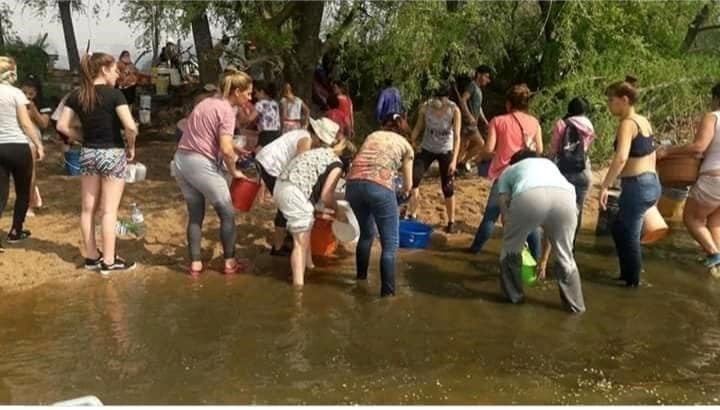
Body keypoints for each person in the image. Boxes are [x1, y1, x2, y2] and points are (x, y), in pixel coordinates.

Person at [57, 52, 138, 274]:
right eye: (115, 70)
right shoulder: (115, 96)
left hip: (88, 153)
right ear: (104, 69)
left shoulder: (77, 95)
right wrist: (131, 146)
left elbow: (63, 126)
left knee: (87, 209)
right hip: (112, 153)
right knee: (109, 210)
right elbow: (130, 127)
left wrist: (82, 138)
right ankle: (109, 261)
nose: (117, 75)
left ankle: (92, 257)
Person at [172, 69, 253, 276]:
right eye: (248, 93)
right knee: (227, 213)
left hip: (181, 160)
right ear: (236, 91)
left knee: (196, 214)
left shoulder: (205, 103)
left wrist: (235, 147)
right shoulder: (227, 110)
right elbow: (225, 149)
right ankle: (229, 263)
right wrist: (235, 172)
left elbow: (205, 135)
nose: (250, 97)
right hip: (201, 164)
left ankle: (195, 264)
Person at [498, 150, 585, 313]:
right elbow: (549, 230)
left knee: (509, 250)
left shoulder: (509, 171)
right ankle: (575, 307)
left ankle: (514, 300)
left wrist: (516, 235)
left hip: (529, 195)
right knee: (566, 256)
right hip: (566, 198)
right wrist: (543, 260)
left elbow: (505, 214)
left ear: (514, 162)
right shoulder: (549, 165)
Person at [273, 118, 353, 287]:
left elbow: (316, 193)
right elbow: (326, 196)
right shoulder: (336, 163)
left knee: (307, 225)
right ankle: (298, 289)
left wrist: (328, 209)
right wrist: (338, 211)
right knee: (299, 244)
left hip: (280, 187)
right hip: (294, 193)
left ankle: (310, 266)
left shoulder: (312, 153)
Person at [468, 84, 543, 257]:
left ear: (508, 104)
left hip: (504, 175)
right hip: (527, 175)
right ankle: (537, 260)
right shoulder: (534, 123)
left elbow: (488, 150)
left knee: (490, 217)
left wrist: (498, 153)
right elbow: (539, 150)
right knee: (530, 220)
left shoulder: (498, 121)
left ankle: (474, 251)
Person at [599, 76, 660, 288]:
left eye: (611, 100)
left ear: (624, 100)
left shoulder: (627, 124)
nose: (609, 105)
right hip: (650, 182)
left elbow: (621, 157)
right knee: (618, 227)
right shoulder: (644, 120)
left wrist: (605, 185)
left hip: (638, 185)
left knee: (630, 233)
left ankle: (632, 283)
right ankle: (627, 274)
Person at [346, 112, 414, 296]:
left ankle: (360, 280)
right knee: (390, 245)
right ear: (403, 129)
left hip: (353, 185)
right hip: (379, 188)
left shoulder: (373, 135)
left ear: (385, 125)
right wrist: (402, 196)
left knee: (367, 234)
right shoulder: (406, 146)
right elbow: (408, 185)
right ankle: (387, 296)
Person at [657, 83, 720, 269]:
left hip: (714, 177)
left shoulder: (713, 117)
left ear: (716, 98)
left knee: (691, 218)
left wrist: (668, 151)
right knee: (715, 221)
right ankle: (717, 262)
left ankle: (714, 254)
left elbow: (699, 146)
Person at [0, 56, 44, 250]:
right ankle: (16, 231)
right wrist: (38, 144)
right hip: (18, 146)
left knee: (1, 193)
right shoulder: (16, 93)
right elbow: (26, 123)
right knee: (23, 190)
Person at [405, 84, 461, 233]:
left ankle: (451, 221)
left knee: (447, 187)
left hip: (445, 150)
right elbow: (418, 127)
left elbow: (457, 137)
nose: (438, 101)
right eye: (436, 97)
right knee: (414, 179)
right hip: (427, 148)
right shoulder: (425, 108)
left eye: (441, 98)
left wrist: (454, 160)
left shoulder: (454, 110)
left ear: (447, 98)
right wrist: (413, 140)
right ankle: (413, 214)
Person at [255, 125, 315, 255]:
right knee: (285, 203)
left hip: (266, 159)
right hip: (271, 165)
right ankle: (278, 247)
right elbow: (299, 166)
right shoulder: (306, 140)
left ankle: (285, 239)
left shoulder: (301, 133)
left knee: (286, 202)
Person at [549, 97, 595, 247]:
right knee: (578, 210)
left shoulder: (561, 123)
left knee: (558, 209)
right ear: (584, 110)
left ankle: (555, 244)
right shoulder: (588, 125)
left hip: (564, 171)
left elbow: (554, 149)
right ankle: (571, 246)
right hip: (583, 171)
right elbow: (588, 148)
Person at [20, 74, 52, 217]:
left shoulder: (42, 106)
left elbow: (44, 124)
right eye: (24, 92)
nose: (27, 96)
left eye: (31, 93)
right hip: (13, 137)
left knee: (29, 172)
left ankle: (28, 205)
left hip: (31, 138)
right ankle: (32, 197)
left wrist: (32, 109)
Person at [457, 65, 492, 171]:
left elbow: (479, 108)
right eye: (486, 76)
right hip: (469, 124)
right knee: (481, 144)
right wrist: (469, 116)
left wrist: (485, 121)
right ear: (479, 75)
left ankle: (457, 165)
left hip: (473, 124)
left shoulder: (479, 90)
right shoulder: (472, 86)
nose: (487, 80)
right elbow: (463, 100)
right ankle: (461, 164)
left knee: (463, 146)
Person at [254, 81, 281, 147]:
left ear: (262, 92)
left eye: (256, 92)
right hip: (276, 133)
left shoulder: (260, 104)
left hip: (266, 134)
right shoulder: (275, 103)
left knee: (259, 154)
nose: (255, 96)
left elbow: (250, 118)